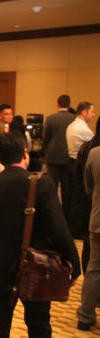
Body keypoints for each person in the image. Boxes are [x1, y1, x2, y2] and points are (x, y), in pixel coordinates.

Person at [0, 132, 80, 338]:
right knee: (39, 329)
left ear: (0, 157)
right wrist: (74, 263)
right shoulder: (42, 184)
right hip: (36, 268)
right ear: (25, 153)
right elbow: (59, 229)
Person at [77, 142, 100, 331]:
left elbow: (88, 187)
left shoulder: (94, 154)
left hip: (97, 219)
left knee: (94, 268)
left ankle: (85, 316)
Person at [73, 116, 100, 272]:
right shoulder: (95, 151)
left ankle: (87, 278)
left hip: (86, 203)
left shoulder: (86, 148)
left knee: (89, 250)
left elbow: (80, 179)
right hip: (93, 203)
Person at [65, 101, 96, 235]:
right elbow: (95, 145)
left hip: (71, 162)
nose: (93, 115)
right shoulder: (83, 129)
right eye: (92, 112)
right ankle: (77, 228)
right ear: (84, 112)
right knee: (80, 198)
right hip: (79, 164)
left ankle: (73, 226)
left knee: (73, 196)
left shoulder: (71, 125)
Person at [42, 95, 76, 199]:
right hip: (68, 156)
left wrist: (43, 155)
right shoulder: (74, 119)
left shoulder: (50, 118)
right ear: (69, 105)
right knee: (67, 188)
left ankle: (53, 207)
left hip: (53, 156)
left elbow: (45, 138)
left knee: (52, 186)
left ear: (58, 104)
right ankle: (65, 208)